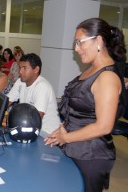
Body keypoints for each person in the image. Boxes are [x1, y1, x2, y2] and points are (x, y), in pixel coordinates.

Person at [44, 18, 127, 192]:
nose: (76, 49)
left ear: (98, 40)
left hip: (91, 155)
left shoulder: (107, 78)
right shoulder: (92, 69)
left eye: (79, 43)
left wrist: (65, 137)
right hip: (74, 146)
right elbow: (80, 111)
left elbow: (104, 126)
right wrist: (61, 132)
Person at [7, 53, 60, 138]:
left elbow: (35, 121)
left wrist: (9, 120)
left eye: (24, 68)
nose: (20, 72)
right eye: (20, 68)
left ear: (36, 69)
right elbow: (6, 101)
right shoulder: (20, 81)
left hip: (46, 133)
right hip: (28, 128)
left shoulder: (42, 86)